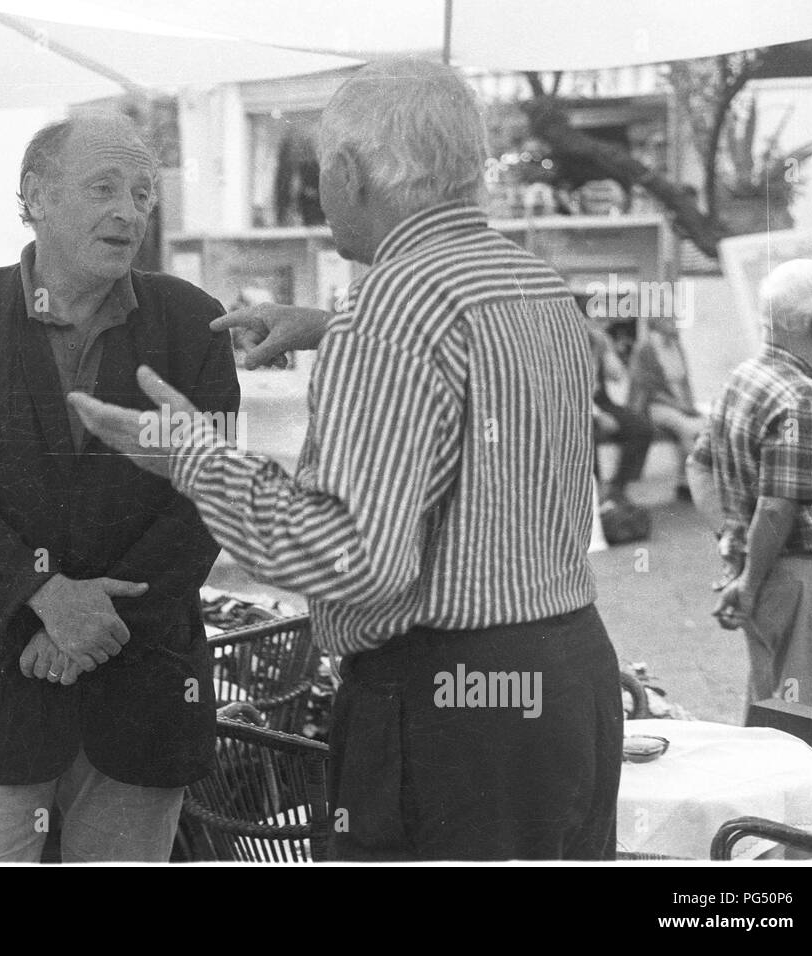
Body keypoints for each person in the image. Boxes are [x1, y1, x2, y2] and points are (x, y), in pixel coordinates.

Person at [72, 58, 623, 861]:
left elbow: (355, 557)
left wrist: (192, 458)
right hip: (565, 676)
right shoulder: (532, 282)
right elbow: (475, 378)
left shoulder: (391, 306)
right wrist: (331, 328)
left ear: (347, 172)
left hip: (444, 704)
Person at [0, 112, 239, 862]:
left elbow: (205, 502)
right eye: (105, 188)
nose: (130, 210)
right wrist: (46, 600)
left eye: (144, 193)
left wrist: (90, 627)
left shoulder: (192, 324)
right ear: (37, 195)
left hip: (142, 689)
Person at [687, 259, 812, 719]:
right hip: (803, 580)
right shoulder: (802, 395)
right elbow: (777, 509)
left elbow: (700, 468)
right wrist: (749, 580)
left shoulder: (746, 376)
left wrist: (734, 548)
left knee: (775, 709)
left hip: (767, 571)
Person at [630, 316, 703, 500]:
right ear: (658, 324)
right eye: (669, 321)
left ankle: (685, 482)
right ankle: (701, 479)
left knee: (705, 425)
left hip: (680, 405)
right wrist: (680, 406)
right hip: (657, 406)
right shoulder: (646, 349)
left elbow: (684, 381)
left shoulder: (676, 346)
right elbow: (650, 389)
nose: (675, 324)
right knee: (686, 428)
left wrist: (689, 405)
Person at [587, 318, 655, 503]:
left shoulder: (597, 343)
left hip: (601, 402)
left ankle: (618, 488)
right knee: (586, 431)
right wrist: (598, 415)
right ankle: (595, 493)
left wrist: (607, 348)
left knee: (642, 428)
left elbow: (616, 375)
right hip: (578, 407)